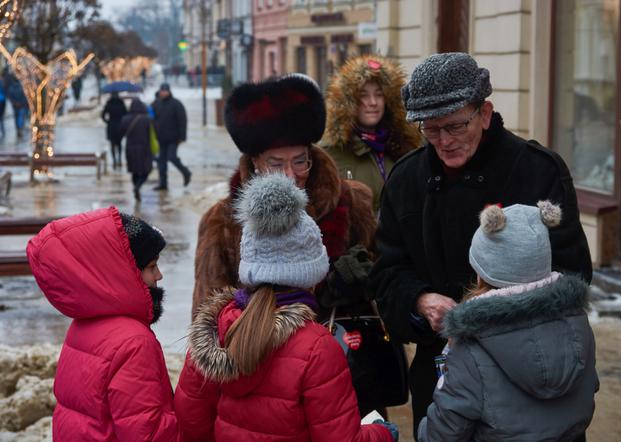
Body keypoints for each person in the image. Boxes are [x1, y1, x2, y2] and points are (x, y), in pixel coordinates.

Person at [370, 52, 593, 437]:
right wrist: (419, 301)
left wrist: (488, 316)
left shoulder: (537, 170)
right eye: (431, 129)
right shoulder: (407, 180)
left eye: (455, 126)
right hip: (444, 381)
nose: (443, 141)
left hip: (535, 380)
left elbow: (573, 277)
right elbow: (387, 272)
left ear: (485, 113)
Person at [175, 173, 397, 441]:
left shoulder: (212, 335)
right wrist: (382, 433)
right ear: (312, 275)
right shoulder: (317, 348)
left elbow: (191, 423)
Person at [192, 74, 376, 317]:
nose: (291, 175)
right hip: (261, 351)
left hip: (343, 347)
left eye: (300, 161)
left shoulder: (353, 201)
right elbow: (208, 318)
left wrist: (358, 279)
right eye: (276, 164)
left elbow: (385, 280)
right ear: (255, 161)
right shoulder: (222, 221)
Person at [418, 202, 599, 441]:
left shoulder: (470, 348)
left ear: (481, 273)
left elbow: (441, 435)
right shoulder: (577, 324)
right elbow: (588, 392)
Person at [26, 207, 178, 441]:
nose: (159, 275)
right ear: (123, 273)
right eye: (151, 267)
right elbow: (147, 434)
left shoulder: (82, 326)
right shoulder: (134, 342)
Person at [322, 55, 422, 212]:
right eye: (364, 95)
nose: (373, 102)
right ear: (348, 101)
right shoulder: (331, 152)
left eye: (379, 94)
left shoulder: (402, 147)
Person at [152, 82, 191, 190]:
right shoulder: (156, 103)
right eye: (162, 91)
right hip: (161, 138)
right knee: (161, 162)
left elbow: (183, 120)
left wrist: (182, 137)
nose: (163, 93)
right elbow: (152, 118)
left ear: (169, 91)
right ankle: (163, 184)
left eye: (165, 91)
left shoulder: (176, 104)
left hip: (173, 138)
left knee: (172, 157)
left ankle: (186, 172)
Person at [120, 98, 154, 201]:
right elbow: (152, 135)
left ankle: (136, 187)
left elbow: (121, 132)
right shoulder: (147, 119)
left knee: (134, 171)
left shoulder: (125, 119)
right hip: (144, 148)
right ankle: (138, 186)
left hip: (130, 148)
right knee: (147, 170)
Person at [101, 91, 128, 169]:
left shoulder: (109, 103)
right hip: (120, 126)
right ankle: (119, 158)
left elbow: (103, 115)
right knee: (119, 143)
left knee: (112, 144)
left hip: (111, 126)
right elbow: (126, 114)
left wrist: (107, 121)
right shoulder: (121, 103)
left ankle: (114, 160)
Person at [6, 73, 28, 139]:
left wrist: (14, 103)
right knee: (20, 117)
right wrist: (22, 103)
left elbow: (10, 96)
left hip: (16, 105)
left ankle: (18, 128)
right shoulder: (22, 87)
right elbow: (25, 96)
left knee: (17, 117)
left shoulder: (11, 87)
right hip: (20, 105)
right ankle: (19, 128)